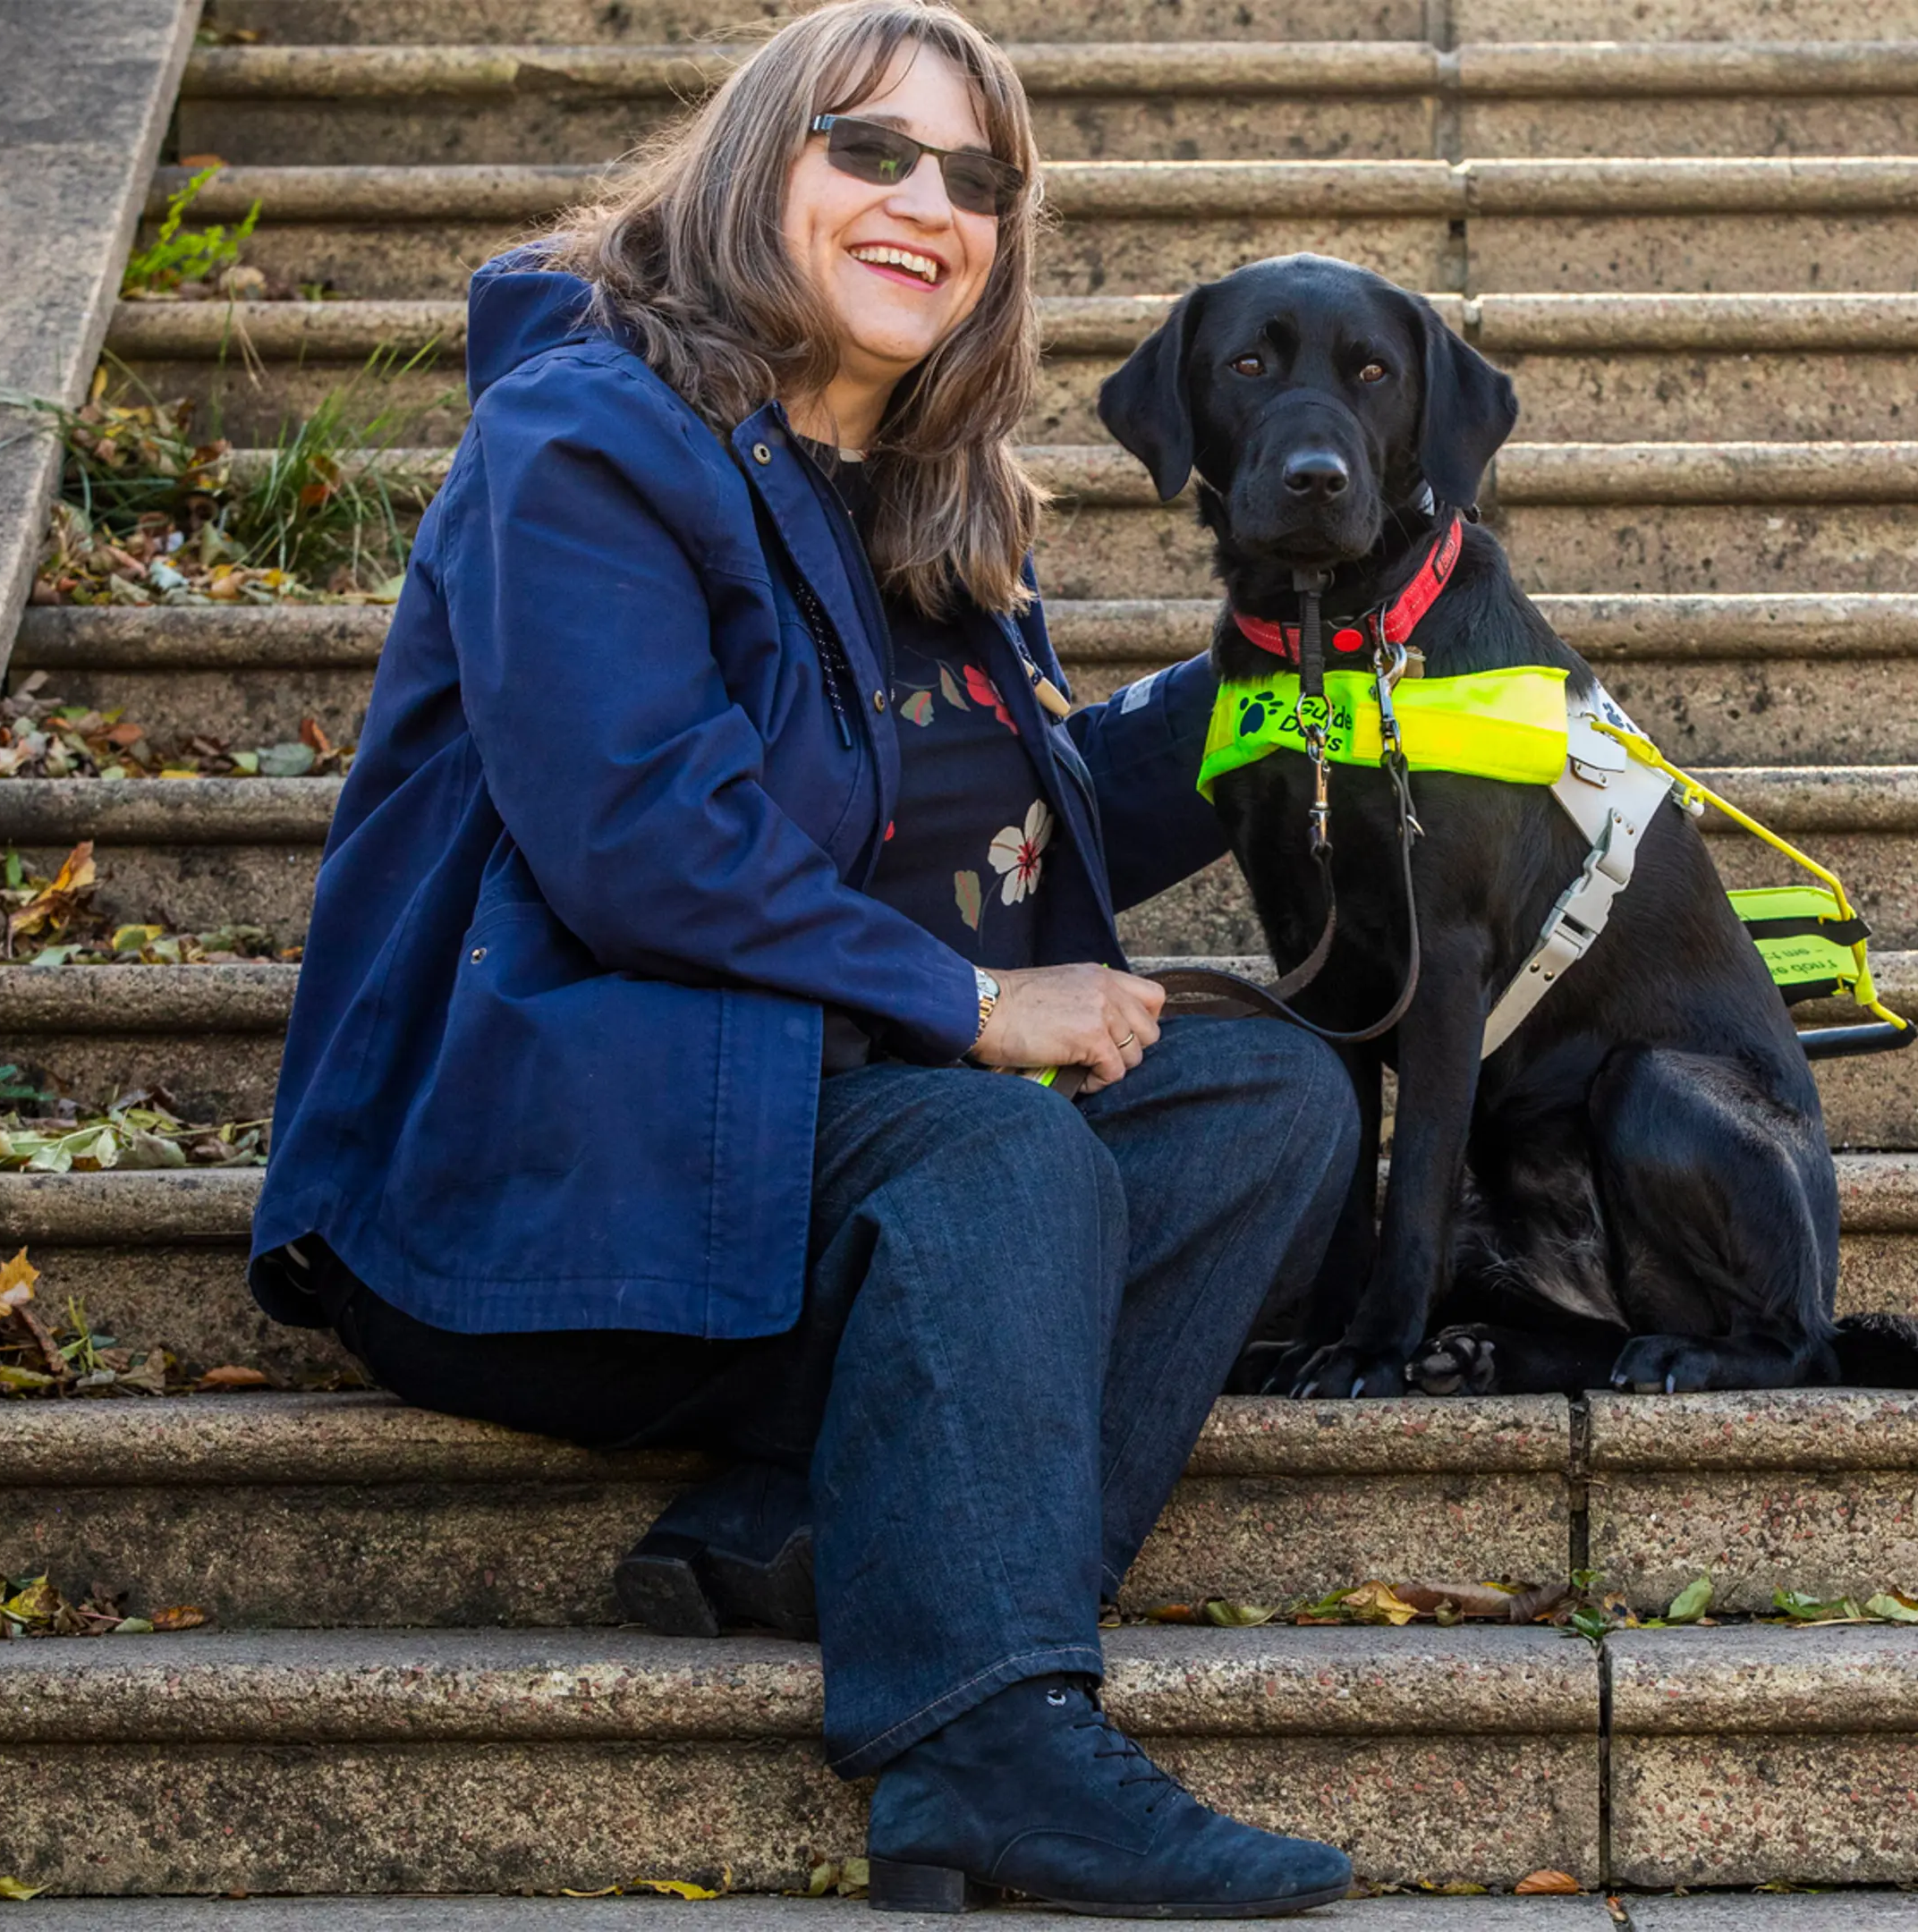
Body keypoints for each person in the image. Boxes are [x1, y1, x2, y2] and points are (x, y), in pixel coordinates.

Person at [241, 2, 1360, 1913]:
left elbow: (1013, 831)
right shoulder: (588, 435)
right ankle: (985, 1741)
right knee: (1001, 1139)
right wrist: (978, 1005)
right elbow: (639, 839)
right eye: (874, 151)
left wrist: (1282, 683)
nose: (932, 201)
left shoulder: (922, 499)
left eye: (980, 177)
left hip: (816, 1164)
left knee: (1267, 1093)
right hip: (551, 1175)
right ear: (760, 161)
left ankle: (818, 1527)